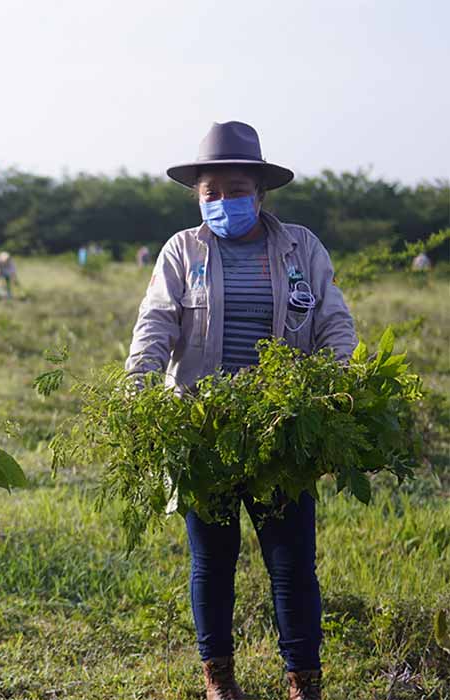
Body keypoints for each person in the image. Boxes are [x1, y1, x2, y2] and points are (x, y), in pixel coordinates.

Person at [126, 122, 355, 700]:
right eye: (211, 192)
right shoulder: (184, 251)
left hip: (283, 426)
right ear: (198, 197)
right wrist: (139, 386)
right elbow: (156, 323)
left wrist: (336, 381)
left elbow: (333, 322)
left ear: (259, 190)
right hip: (203, 428)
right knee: (212, 559)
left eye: (234, 188)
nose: (223, 201)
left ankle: (303, 680)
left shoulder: (301, 247)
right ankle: (218, 679)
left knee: (292, 561)